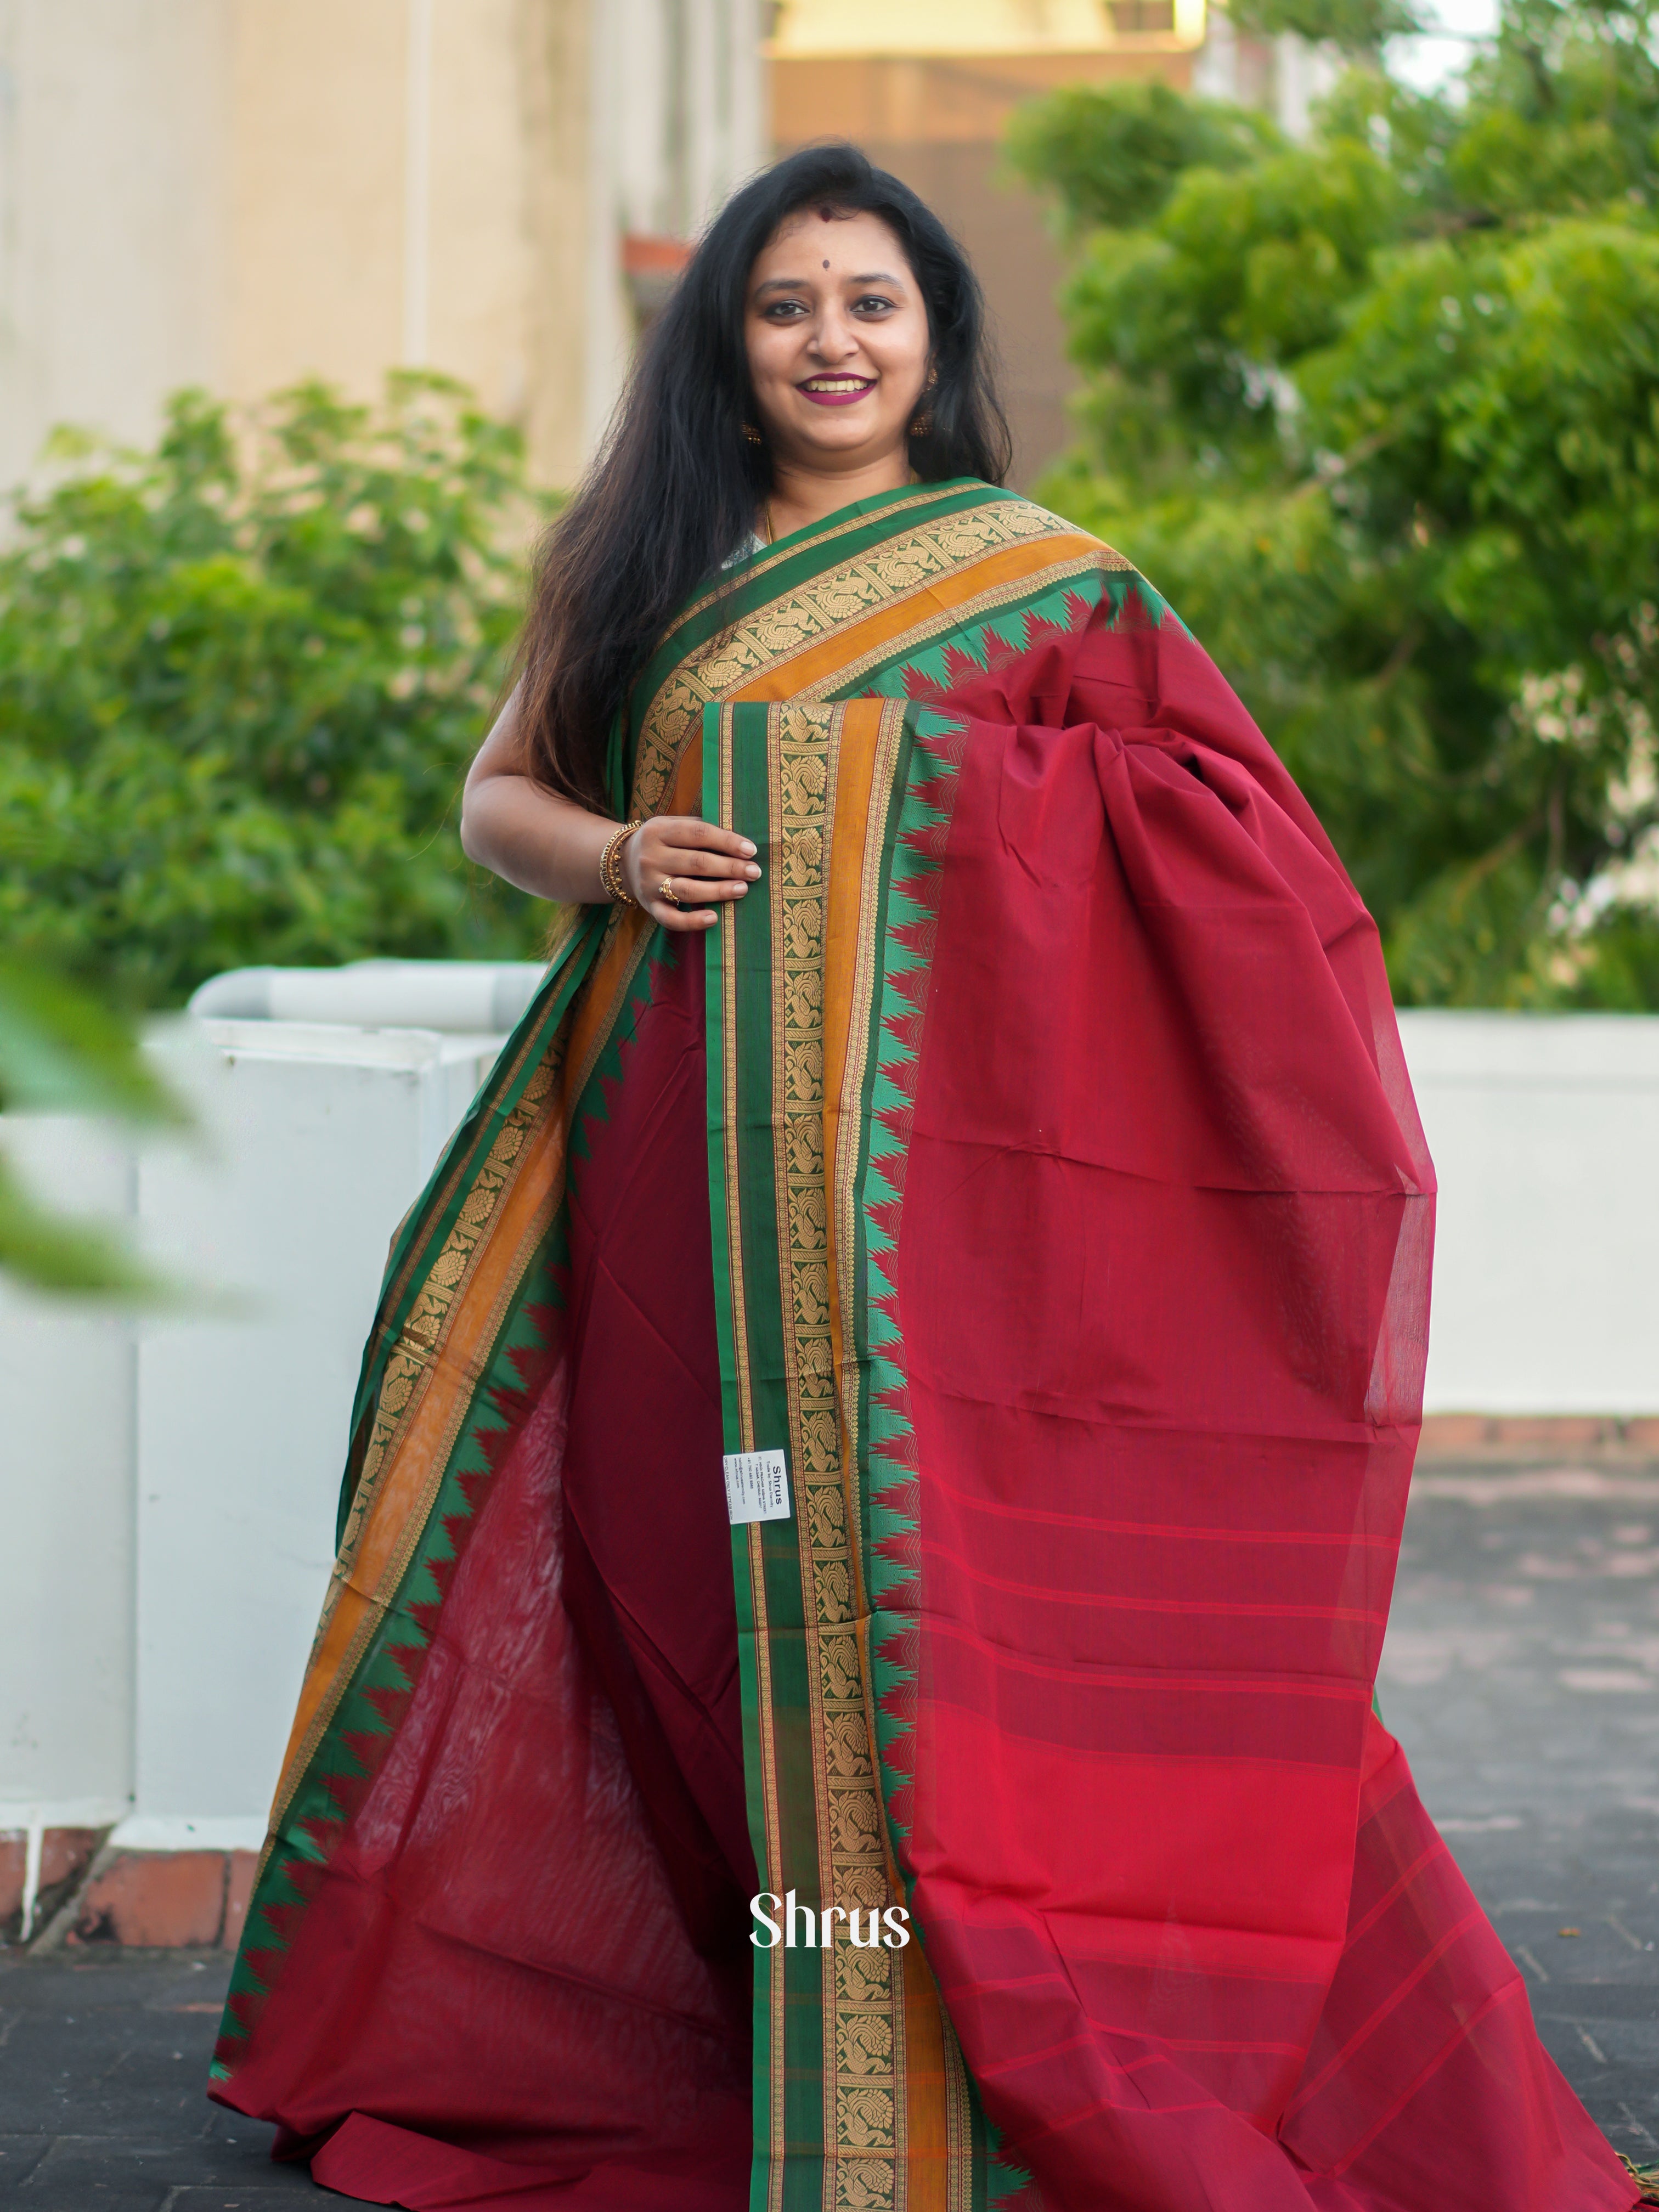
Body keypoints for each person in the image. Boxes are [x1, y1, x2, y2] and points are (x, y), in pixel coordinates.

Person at [209, 144, 1640, 2212]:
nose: (831, 341)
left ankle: (999, 2060)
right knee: (693, 1603)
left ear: (936, 337)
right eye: (786, 305)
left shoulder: (1046, 586)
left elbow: (1239, 850)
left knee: (941, 1631)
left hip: (932, 1243)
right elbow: (498, 794)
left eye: (870, 302)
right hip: (667, 1192)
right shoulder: (641, 564)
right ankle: (800, 2034)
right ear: (727, 343)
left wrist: (882, 801)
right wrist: (617, 853)